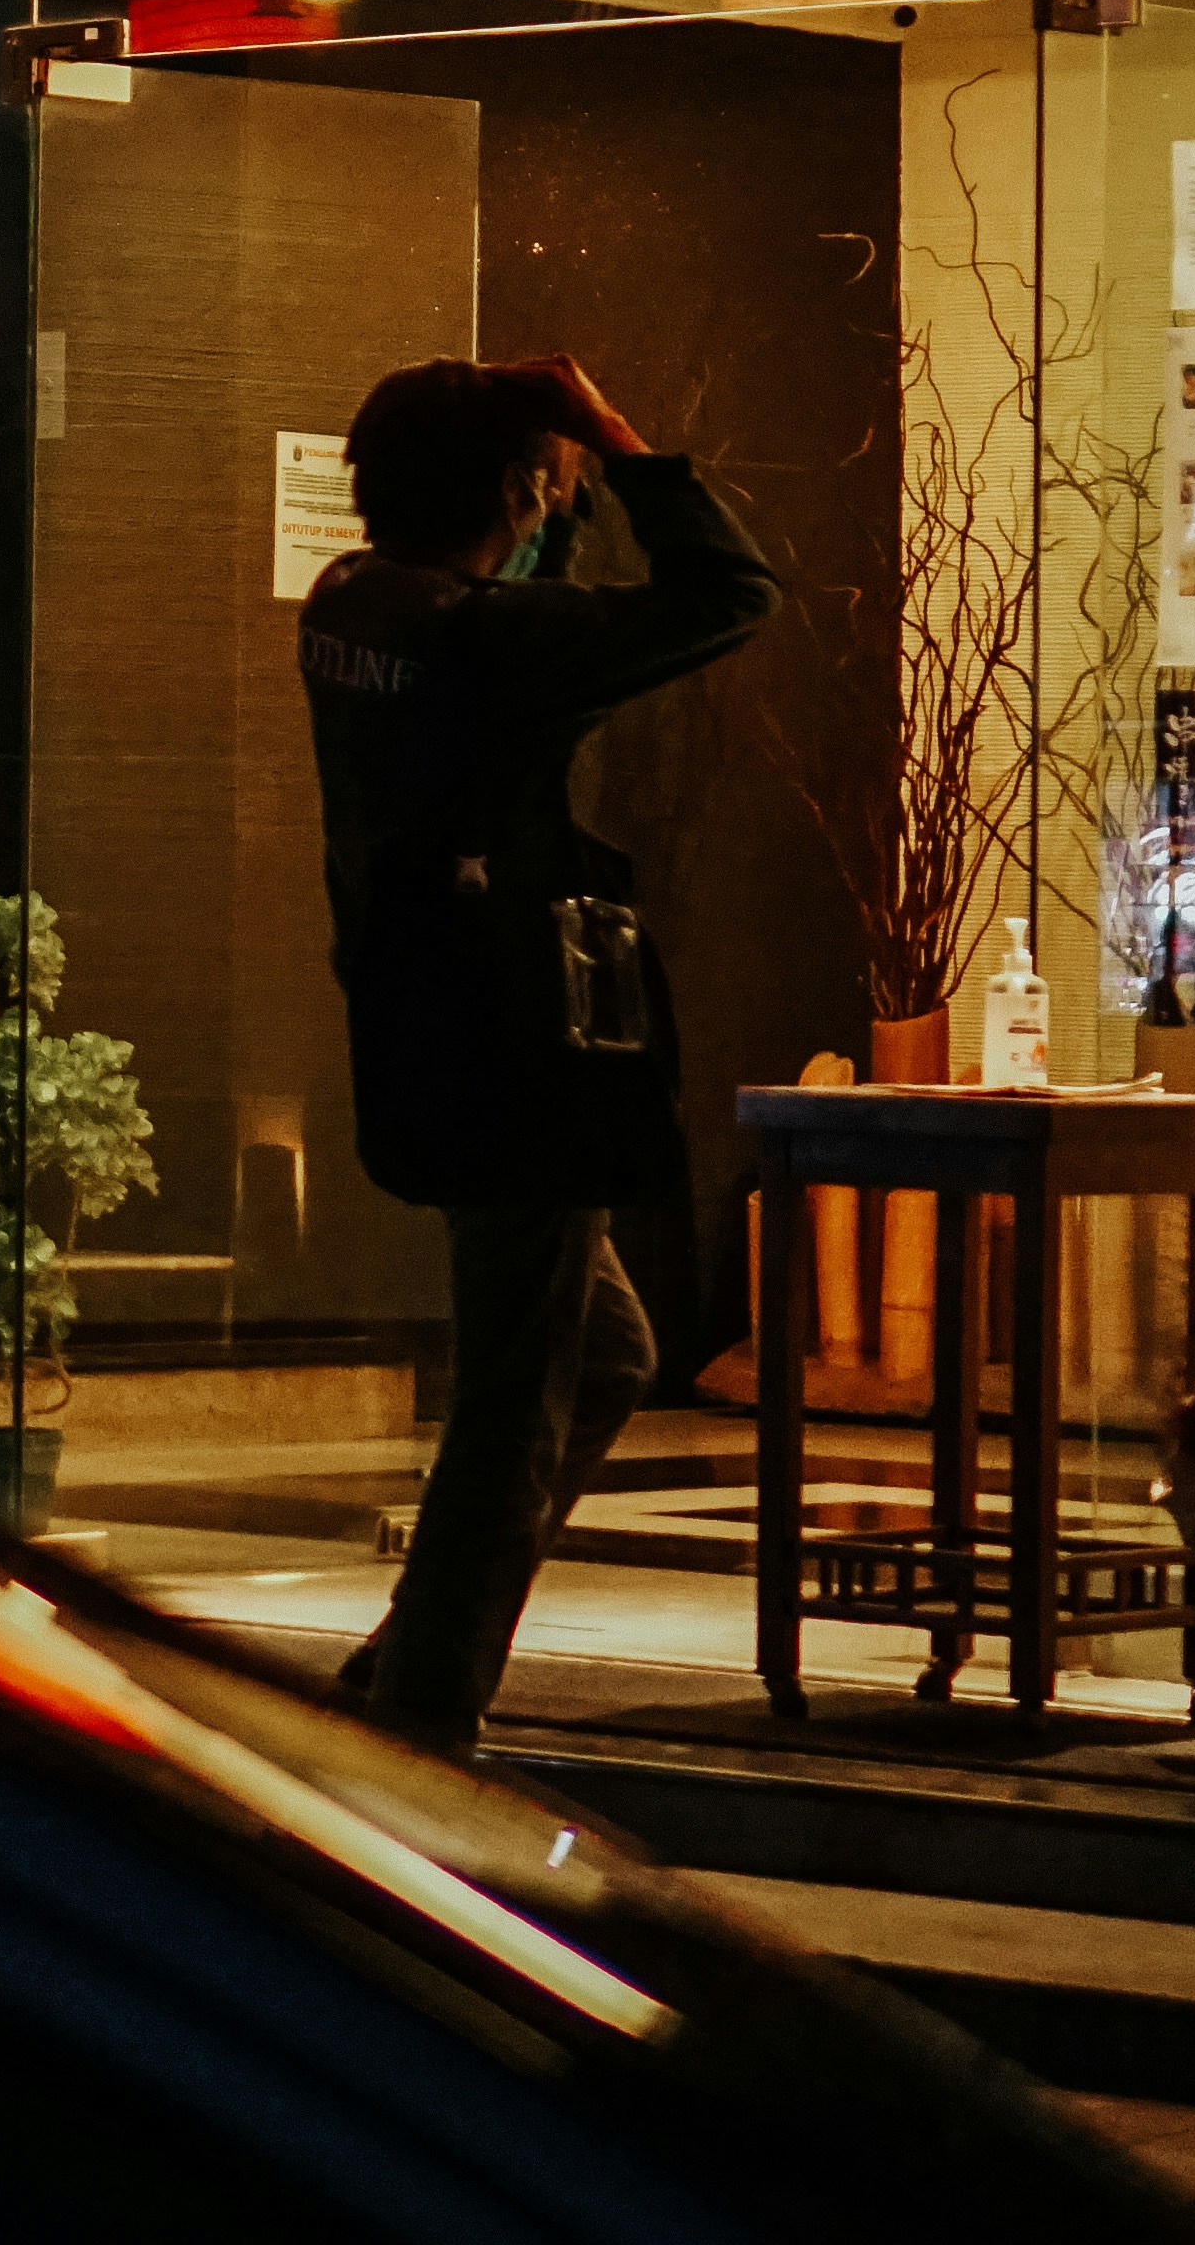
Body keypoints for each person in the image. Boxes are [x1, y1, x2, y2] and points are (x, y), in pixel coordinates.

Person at [297, 353, 784, 1760]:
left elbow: (521, 607)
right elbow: (732, 593)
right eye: (539, 483)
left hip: (420, 1026)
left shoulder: (355, 605)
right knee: (519, 1392)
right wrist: (624, 445)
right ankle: (429, 1706)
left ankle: (414, 1645)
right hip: (516, 1044)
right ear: (516, 487)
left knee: (610, 1351)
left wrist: (546, 483)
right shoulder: (486, 645)